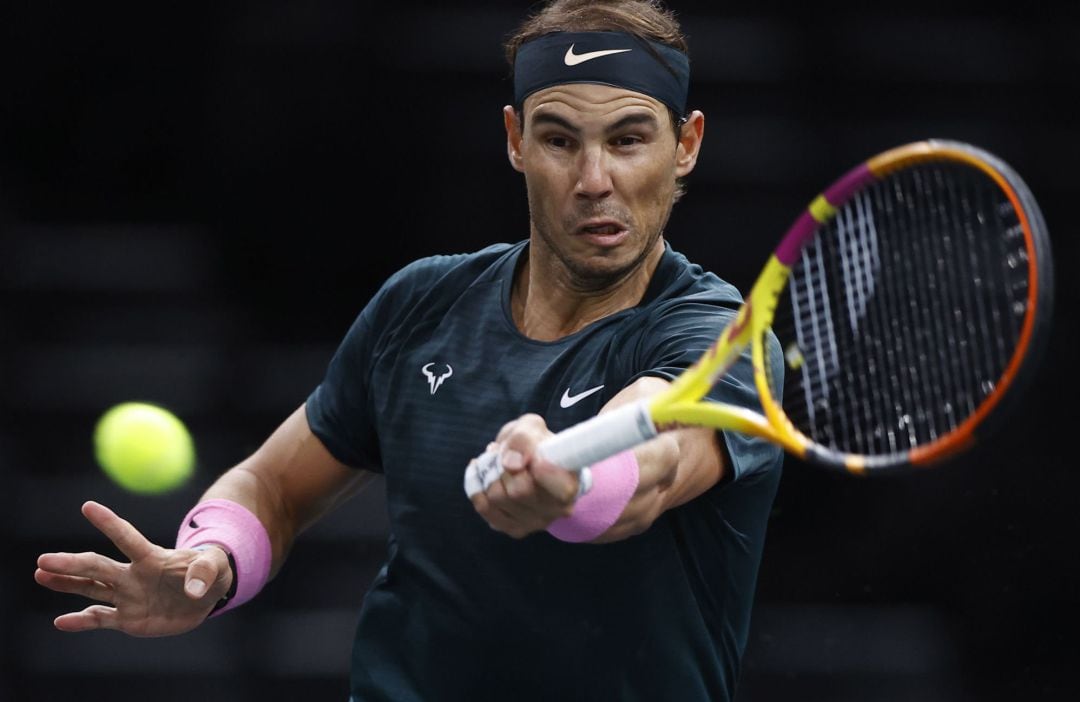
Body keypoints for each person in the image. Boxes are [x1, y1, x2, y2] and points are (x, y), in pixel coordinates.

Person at [34, 1, 784, 700]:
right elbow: (275, 484)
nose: (595, 180)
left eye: (628, 139)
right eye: (559, 139)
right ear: (515, 141)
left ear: (685, 145)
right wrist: (212, 564)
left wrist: (571, 484)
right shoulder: (420, 305)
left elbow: (652, 462)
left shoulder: (721, 339)